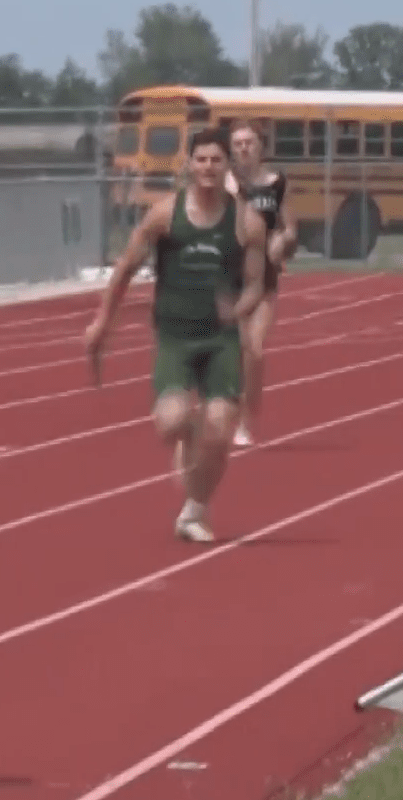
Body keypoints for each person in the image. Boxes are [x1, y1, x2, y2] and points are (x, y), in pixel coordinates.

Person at [84, 127, 265, 544]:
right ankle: (190, 441)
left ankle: (194, 512)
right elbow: (126, 268)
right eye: (200, 160)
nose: (208, 167)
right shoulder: (165, 214)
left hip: (221, 340)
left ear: (227, 166)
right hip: (175, 337)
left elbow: (255, 283)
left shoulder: (246, 222)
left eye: (216, 160)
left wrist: (238, 308)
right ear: (189, 165)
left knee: (220, 429)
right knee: (172, 424)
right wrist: (102, 323)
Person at [223, 121, 294, 446]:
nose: (243, 148)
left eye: (249, 142)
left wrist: (282, 239)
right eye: (237, 144)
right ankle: (230, 412)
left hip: (263, 276)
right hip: (229, 276)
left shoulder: (277, 184)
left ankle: (245, 420)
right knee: (235, 350)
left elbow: (291, 227)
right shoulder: (223, 182)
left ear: (260, 146)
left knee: (254, 349)